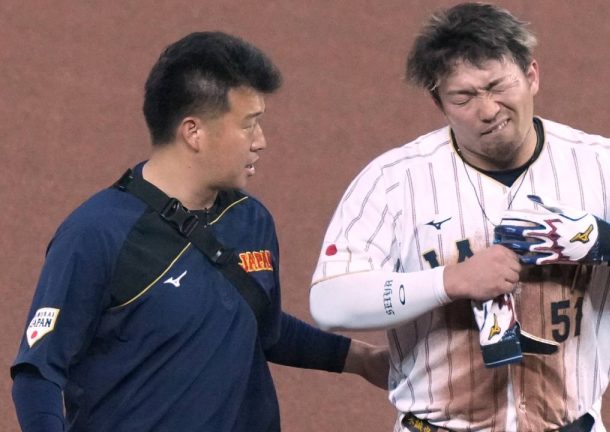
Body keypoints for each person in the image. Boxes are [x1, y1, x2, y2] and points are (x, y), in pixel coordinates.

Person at [309, 3, 610, 431]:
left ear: (531, 76)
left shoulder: (602, 167)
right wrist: (449, 282)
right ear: (438, 101)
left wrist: (608, 243)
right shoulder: (393, 181)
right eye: (464, 96)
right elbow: (330, 302)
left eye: (499, 86)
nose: (488, 109)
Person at [10, 31, 387, 432]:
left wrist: (360, 360)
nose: (261, 142)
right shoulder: (97, 234)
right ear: (194, 132)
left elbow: (263, 328)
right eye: (249, 125)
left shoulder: (250, 219)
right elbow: (39, 374)